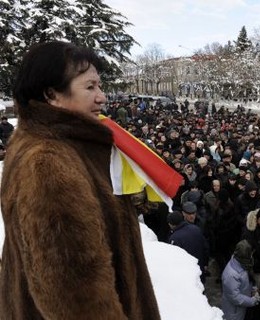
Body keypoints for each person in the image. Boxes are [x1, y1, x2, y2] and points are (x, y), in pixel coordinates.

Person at [0, 41, 160, 318]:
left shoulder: (47, 142)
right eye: (90, 87)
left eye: (99, 86)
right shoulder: (48, 164)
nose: (102, 97)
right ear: (51, 94)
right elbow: (77, 297)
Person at [221, 240, 260, 320]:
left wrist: (254, 289)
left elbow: (249, 278)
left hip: (243, 308)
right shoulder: (231, 274)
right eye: (250, 255)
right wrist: (252, 301)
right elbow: (235, 297)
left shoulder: (243, 264)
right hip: (234, 312)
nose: (252, 256)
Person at [168, 211, 210, 283]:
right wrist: (205, 264)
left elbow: (174, 261)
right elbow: (205, 248)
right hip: (199, 270)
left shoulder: (174, 238)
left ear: (171, 224)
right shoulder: (196, 229)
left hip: (187, 275)